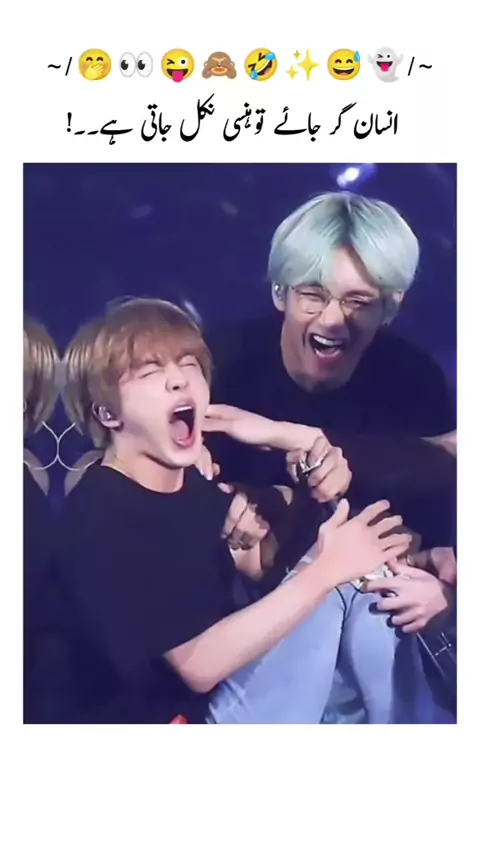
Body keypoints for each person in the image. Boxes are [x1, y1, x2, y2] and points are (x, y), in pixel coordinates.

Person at [52, 297, 439, 725]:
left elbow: (264, 564)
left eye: (189, 365)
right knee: (338, 581)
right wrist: (327, 568)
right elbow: (198, 666)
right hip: (177, 722)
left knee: (365, 585)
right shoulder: (101, 513)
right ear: (108, 413)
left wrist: (308, 477)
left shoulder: (192, 485)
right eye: (150, 372)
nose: (179, 381)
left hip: (227, 700)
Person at [206, 191, 456, 552]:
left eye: (358, 302)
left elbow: (430, 529)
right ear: (280, 293)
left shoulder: (416, 381)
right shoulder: (217, 363)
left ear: (390, 307)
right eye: (313, 295)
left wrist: (428, 566)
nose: (332, 320)